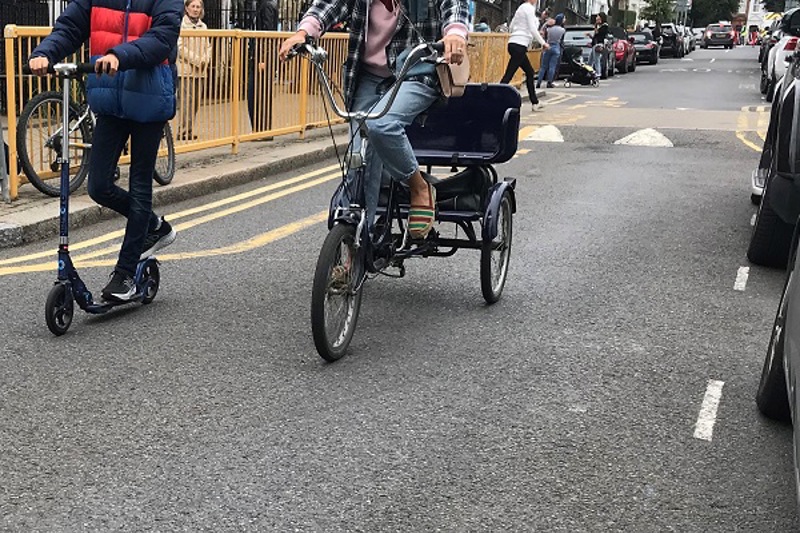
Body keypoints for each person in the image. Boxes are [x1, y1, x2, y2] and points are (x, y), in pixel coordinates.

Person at [28, 0, 182, 302]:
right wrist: (45, 53)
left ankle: (126, 274)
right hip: (109, 97)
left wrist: (118, 55)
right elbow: (71, 26)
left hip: (149, 99)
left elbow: (162, 39)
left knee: (140, 184)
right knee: (98, 186)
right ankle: (153, 225)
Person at [278, 0, 469, 239]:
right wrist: (304, 32)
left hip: (416, 73)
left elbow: (454, 6)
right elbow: (329, 5)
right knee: (357, 162)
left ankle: (419, 188)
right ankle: (359, 240)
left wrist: (455, 33)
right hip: (369, 77)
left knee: (382, 125)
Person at [500, 0, 549, 112]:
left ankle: (535, 102)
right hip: (520, 45)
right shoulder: (529, 8)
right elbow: (532, 29)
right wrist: (543, 43)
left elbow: (511, 26)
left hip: (513, 44)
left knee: (529, 72)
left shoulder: (520, 8)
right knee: (508, 76)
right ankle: (495, 98)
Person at [177, 0, 212, 141]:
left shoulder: (203, 26)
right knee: (186, 102)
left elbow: (208, 46)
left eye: (198, 7)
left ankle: (189, 129)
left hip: (200, 71)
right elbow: (180, 48)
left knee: (196, 102)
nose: (196, 9)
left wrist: (206, 59)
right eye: (193, 6)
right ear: (186, 8)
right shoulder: (181, 25)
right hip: (186, 70)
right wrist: (197, 60)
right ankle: (183, 131)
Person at [247, 0, 278, 133]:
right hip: (259, 55)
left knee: (258, 94)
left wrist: (263, 58)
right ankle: (260, 128)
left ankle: (262, 129)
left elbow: (267, 34)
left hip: (262, 57)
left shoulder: (266, 6)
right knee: (257, 93)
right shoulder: (262, 5)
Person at [537, 12, 564, 88]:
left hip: (548, 46)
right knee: (552, 66)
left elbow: (545, 38)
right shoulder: (562, 30)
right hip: (556, 47)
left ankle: (538, 82)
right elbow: (561, 41)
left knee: (543, 66)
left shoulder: (549, 29)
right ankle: (549, 82)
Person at [588, 12, 608, 78]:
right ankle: (589, 72)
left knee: (596, 59)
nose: (596, 18)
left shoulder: (604, 26)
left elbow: (600, 35)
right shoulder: (598, 25)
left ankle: (598, 73)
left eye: (598, 16)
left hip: (599, 45)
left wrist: (596, 29)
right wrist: (591, 38)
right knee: (590, 60)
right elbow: (595, 37)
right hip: (595, 45)